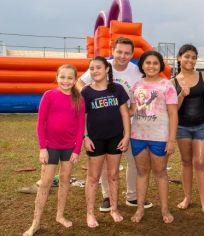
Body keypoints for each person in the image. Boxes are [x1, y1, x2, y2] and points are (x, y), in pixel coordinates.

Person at [78, 37, 153, 211]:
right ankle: (107, 196)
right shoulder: (102, 65)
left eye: (127, 53)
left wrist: (134, 107)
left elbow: (144, 90)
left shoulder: (136, 71)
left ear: (132, 54)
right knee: (105, 162)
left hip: (130, 122)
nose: (122, 56)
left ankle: (132, 196)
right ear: (113, 51)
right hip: (103, 123)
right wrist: (86, 94)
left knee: (134, 160)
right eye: (119, 51)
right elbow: (80, 81)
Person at [24, 64, 85, 236]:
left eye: (70, 78)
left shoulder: (79, 99)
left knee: (65, 180)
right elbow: (40, 123)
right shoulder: (49, 95)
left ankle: (60, 215)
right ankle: (35, 223)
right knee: (45, 183)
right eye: (62, 77)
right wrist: (42, 148)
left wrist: (76, 150)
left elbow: (81, 127)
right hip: (51, 146)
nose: (65, 81)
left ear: (75, 80)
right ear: (57, 77)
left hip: (69, 148)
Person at [129, 51, 178, 224]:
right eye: (148, 63)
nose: (151, 66)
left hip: (160, 137)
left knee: (160, 173)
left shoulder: (167, 85)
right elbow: (132, 110)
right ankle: (140, 208)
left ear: (160, 65)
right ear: (142, 65)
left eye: (155, 63)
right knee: (142, 172)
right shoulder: (136, 85)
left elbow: (173, 114)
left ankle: (165, 209)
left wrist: (171, 140)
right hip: (138, 136)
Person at [81, 56, 130, 228]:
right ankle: (90, 213)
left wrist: (126, 136)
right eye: (92, 68)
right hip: (95, 140)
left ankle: (114, 209)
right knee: (93, 177)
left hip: (115, 138)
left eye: (98, 68)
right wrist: (85, 137)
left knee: (113, 175)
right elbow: (82, 117)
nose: (95, 71)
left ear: (107, 69)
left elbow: (125, 114)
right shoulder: (86, 92)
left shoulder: (117, 89)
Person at [173, 44, 204, 218]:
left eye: (193, 57)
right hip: (182, 127)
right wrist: (182, 94)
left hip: (202, 125)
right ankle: (187, 197)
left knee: (200, 163)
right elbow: (174, 109)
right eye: (187, 56)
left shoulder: (203, 75)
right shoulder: (174, 81)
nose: (190, 60)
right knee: (185, 162)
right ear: (179, 58)